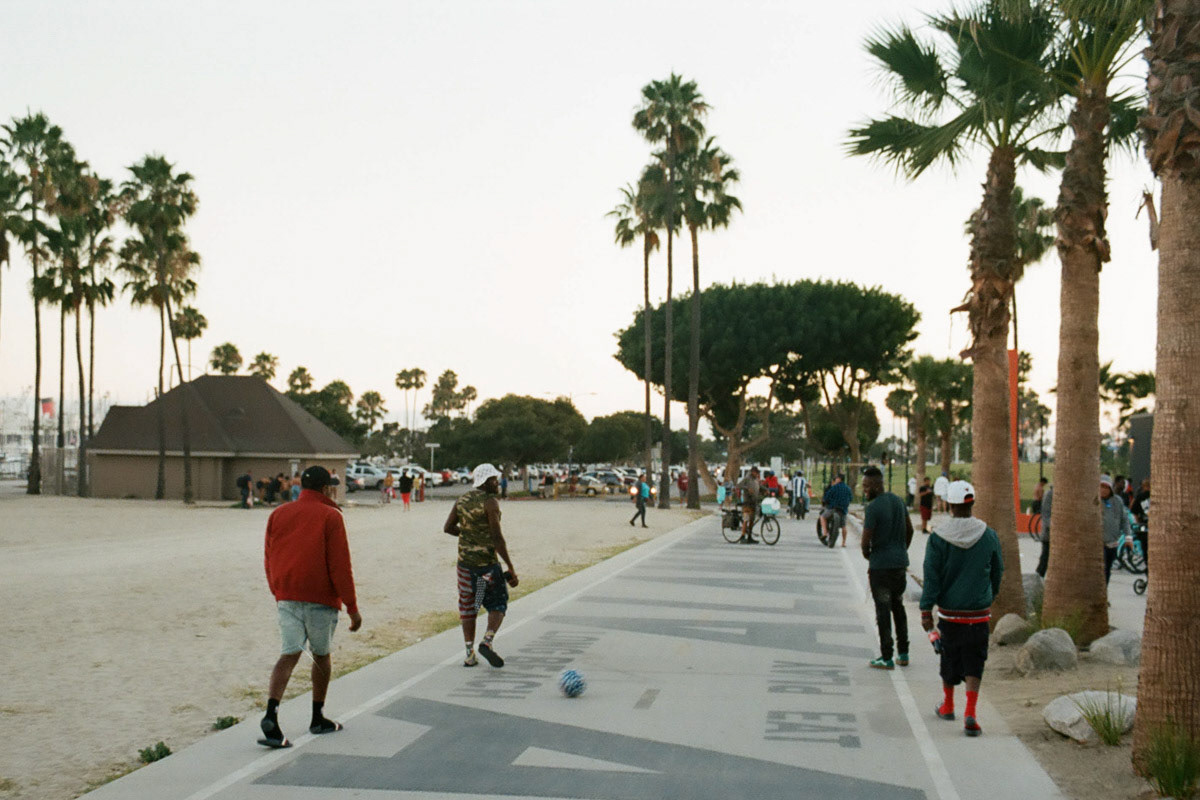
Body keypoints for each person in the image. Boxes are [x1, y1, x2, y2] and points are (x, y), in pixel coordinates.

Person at [258, 465, 362, 748]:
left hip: (287, 596)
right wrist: (352, 607)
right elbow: (340, 565)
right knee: (321, 656)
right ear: (326, 488)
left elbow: (269, 557)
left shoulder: (278, 514)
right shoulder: (331, 516)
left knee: (288, 654)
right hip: (320, 600)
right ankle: (317, 717)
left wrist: (278, 590)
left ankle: (271, 714)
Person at [920, 480, 1004, 738]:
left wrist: (926, 610)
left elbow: (931, 576)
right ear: (972, 503)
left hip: (950, 614)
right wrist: (988, 596)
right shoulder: (988, 535)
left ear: (949, 504)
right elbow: (997, 571)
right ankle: (971, 714)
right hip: (978, 614)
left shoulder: (938, 537)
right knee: (975, 661)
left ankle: (948, 705)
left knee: (949, 659)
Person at [444, 464, 518, 668]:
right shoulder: (490, 502)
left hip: (465, 566)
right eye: (494, 479)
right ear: (485, 482)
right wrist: (510, 566)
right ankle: (487, 640)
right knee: (498, 603)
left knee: (469, 606)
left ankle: (469, 654)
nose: (497, 482)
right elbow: (497, 537)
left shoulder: (461, 500)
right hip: (487, 566)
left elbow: (448, 527)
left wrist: (468, 535)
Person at [860, 466, 914, 670]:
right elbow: (910, 530)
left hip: (881, 567)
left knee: (883, 610)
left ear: (876, 485)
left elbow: (865, 540)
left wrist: (869, 555)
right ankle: (904, 652)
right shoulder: (899, 501)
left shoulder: (873, 508)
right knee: (898, 606)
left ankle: (886, 656)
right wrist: (901, 550)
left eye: (866, 486)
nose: (864, 490)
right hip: (899, 564)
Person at [1100, 475, 1131, 586]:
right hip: (1099, 544)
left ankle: (1104, 591)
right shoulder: (1094, 501)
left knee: (1107, 570)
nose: (1103, 490)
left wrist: (1128, 537)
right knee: (1101, 570)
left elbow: (1124, 519)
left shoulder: (1117, 501)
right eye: (1101, 486)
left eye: (1106, 487)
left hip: (1112, 543)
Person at [820, 473, 853, 547]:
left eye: (836, 478)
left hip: (833, 508)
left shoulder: (834, 487)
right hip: (843, 510)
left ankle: (825, 533)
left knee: (823, 517)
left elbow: (827, 497)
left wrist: (825, 501)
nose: (835, 479)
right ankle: (844, 542)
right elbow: (851, 498)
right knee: (844, 525)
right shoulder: (848, 488)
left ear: (839, 479)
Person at [736, 467, 762, 544]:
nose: (757, 474)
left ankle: (749, 537)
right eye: (756, 472)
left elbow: (759, 487)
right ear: (752, 472)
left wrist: (766, 490)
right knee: (746, 519)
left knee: (751, 520)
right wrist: (747, 488)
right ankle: (742, 536)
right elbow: (738, 486)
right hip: (747, 503)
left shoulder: (756, 479)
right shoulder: (747, 479)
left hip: (753, 502)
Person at [1035, 483, 1053, 578]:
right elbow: (1046, 515)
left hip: (1051, 533)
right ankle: (1038, 577)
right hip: (1048, 534)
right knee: (1045, 558)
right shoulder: (1050, 494)